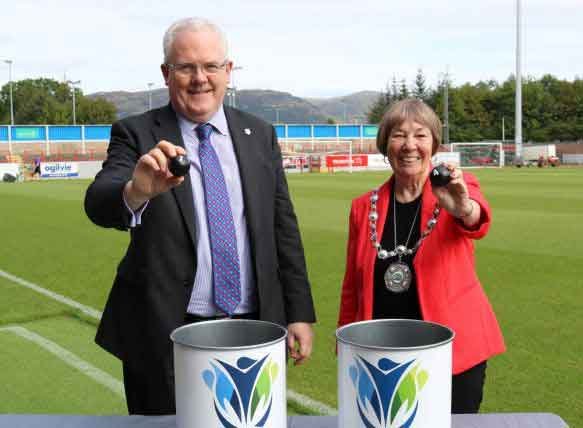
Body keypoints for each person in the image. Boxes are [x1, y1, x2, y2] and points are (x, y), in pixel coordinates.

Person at [84, 17, 316, 415]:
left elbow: (283, 228)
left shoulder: (259, 134)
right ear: (165, 73)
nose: (199, 79)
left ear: (228, 71)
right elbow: (99, 202)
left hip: (253, 325)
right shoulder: (136, 132)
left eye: (211, 66)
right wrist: (136, 191)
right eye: (186, 67)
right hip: (163, 331)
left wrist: (298, 313)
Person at [337, 98, 505, 414]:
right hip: (383, 356)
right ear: (385, 144)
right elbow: (352, 286)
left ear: (434, 145)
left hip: (454, 353)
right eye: (399, 135)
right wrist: (347, 345)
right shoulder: (363, 207)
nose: (409, 145)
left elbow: (477, 220)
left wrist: (463, 207)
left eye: (420, 135)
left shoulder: (456, 189)